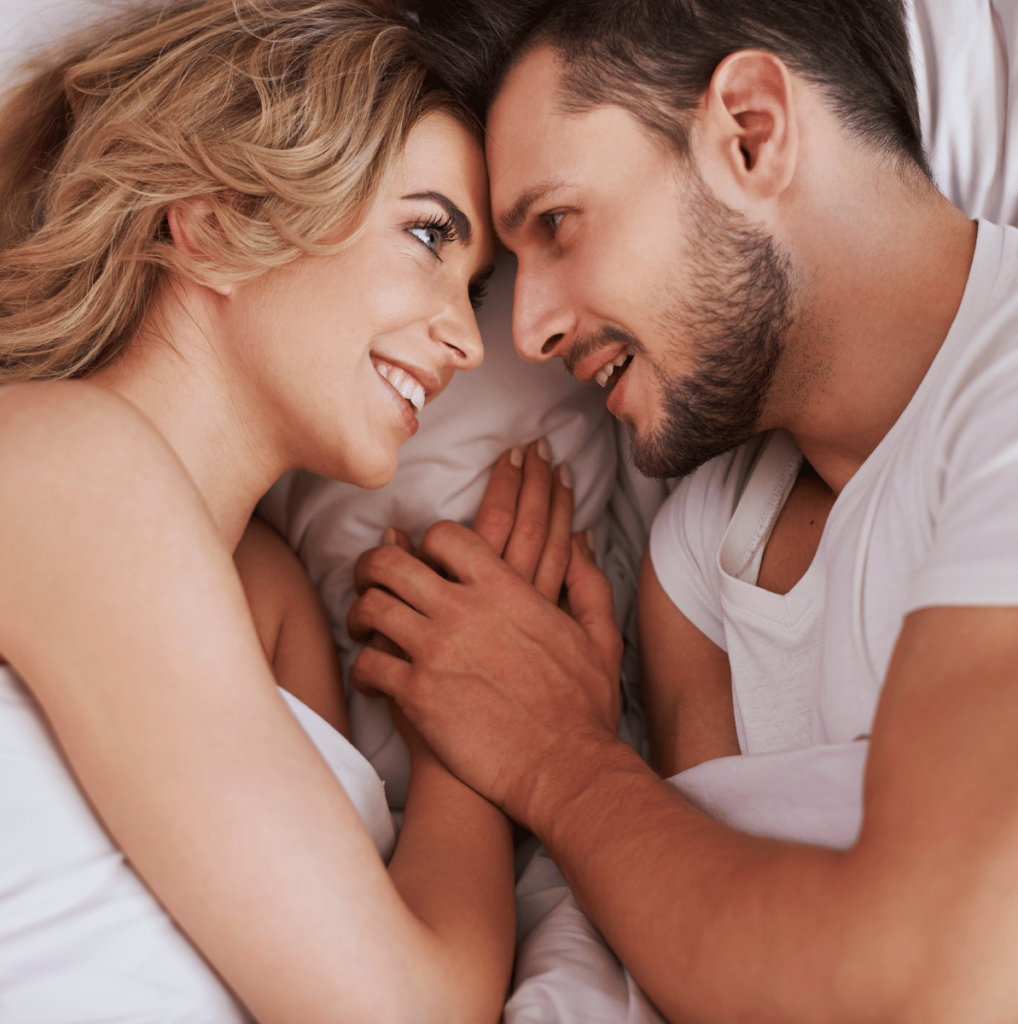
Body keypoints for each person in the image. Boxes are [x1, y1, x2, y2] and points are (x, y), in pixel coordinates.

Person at [349, 0, 1018, 1019]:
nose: (524, 332)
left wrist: (560, 762)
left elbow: (920, 974)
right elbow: (702, 972)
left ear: (750, 132)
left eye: (558, 225)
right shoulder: (700, 548)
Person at [0, 0, 520, 1020]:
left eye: (478, 287)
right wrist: (482, 733)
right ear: (221, 215)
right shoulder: (55, 455)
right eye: (426, 234)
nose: (466, 340)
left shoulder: (270, 596)